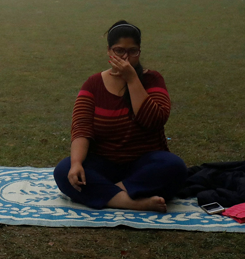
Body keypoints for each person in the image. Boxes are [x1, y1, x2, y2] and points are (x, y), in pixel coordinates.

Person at [52, 21, 186, 212]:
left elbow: (154, 121)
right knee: (64, 171)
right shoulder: (93, 84)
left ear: (140, 51)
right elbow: (82, 127)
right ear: (109, 51)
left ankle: (106, 194)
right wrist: (76, 164)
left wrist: (132, 79)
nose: (126, 57)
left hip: (143, 164)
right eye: (119, 51)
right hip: (103, 163)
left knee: (174, 167)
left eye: (133, 51)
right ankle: (131, 202)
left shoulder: (152, 79)